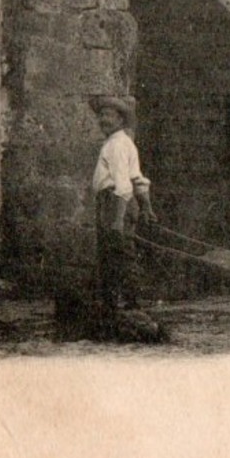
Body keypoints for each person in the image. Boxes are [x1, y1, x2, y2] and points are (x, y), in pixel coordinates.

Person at [89, 95, 156, 313]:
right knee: (120, 251)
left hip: (115, 202)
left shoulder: (116, 145)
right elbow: (138, 180)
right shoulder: (124, 143)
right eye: (101, 115)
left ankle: (120, 304)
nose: (103, 120)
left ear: (120, 120)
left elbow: (124, 186)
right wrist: (146, 207)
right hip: (120, 203)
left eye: (108, 116)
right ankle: (126, 301)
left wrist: (117, 219)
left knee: (114, 253)